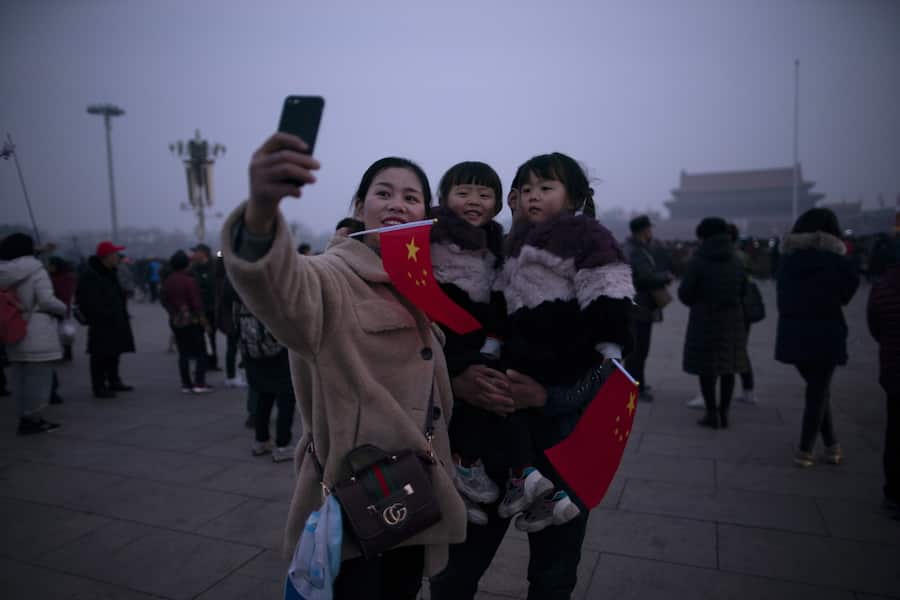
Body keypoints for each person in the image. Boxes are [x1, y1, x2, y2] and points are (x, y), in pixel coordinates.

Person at [222, 132, 465, 600]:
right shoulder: (331, 276)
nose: (397, 204)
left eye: (411, 197)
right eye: (384, 193)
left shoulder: (419, 283)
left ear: (424, 212)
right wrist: (261, 212)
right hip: (357, 494)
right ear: (359, 205)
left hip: (418, 488)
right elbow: (279, 287)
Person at [432, 152, 635, 600]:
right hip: (492, 451)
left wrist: (547, 397)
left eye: (545, 188)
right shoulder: (494, 254)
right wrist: (463, 377)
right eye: (524, 190)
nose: (531, 198)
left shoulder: (587, 249)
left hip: (563, 450)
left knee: (552, 577)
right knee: (454, 573)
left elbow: (613, 364)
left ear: (575, 198)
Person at [428, 161, 509, 527]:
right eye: (463, 192)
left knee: (485, 388)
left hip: (479, 337)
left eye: (484, 194)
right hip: (439, 337)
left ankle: (463, 469)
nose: (474, 200)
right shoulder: (428, 235)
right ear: (444, 198)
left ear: (498, 203)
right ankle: (454, 476)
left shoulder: (499, 244)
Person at [776, 208, 859, 467]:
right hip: (826, 331)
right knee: (818, 390)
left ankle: (832, 445)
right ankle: (805, 449)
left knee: (818, 389)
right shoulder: (837, 261)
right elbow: (847, 294)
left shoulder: (788, 260)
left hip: (794, 332)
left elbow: (782, 297)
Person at [678, 217, 749, 429]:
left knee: (706, 368)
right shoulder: (736, 260)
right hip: (732, 321)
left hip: (704, 319)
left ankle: (711, 414)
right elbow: (743, 290)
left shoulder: (698, 261)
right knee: (728, 367)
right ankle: (724, 414)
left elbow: (685, 294)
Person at [0, 233, 66, 434]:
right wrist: (63, 308)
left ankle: (24, 417)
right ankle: (33, 419)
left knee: (19, 380)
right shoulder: (37, 270)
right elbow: (46, 300)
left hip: (14, 329)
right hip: (37, 330)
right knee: (39, 379)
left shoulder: (4, 271)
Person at [234, 292, 297, 461]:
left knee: (263, 397)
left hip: (253, 355)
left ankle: (261, 441)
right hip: (279, 356)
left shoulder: (243, 297)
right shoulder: (274, 297)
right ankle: (282, 446)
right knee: (286, 400)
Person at [75, 240, 136, 398]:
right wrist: (101, 315)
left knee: (114, 352)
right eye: (115, 254)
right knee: (100, 354)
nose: (118, 257)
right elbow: (86, 300)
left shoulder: (111, 271)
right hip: (101, 322)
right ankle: (99, 386)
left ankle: (114, 380)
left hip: (115, 319)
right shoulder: (91, 275)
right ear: (106, 256)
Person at [623, 214, 673, 402]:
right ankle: (634, 387)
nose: (652, 231)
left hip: (637, 305)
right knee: (638, 351)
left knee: (638, 350)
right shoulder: (636, 250)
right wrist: (665, 277)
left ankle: (638, 383)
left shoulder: (634, 247)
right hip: (639, 306)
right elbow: (645, 277)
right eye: (649, 228)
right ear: (643, 230)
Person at [867, 237, 900, 515]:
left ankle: (893, 493)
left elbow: (875, 325)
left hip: (894, 366)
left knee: (895, 431)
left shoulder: (883, 287)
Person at [160, 250, 211, 394]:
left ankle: (186, 384)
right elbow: (197, 304)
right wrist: (205, 322)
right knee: (200, 352)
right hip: (192, 321)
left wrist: (173, 312)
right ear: (187, 265)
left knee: (183, 353)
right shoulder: (190, 281)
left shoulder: (168, 281)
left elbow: (163, 300)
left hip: (176, 320)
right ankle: (199, 383)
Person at [190, 243, 219, 371]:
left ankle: (212, 362)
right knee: (198, 337)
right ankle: (203, 362)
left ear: (203, 253)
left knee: (211, 336)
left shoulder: (214, 266)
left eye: (196, 252)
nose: (194, 254)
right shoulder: (192, 268)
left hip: (211, 307)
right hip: (198, 308)